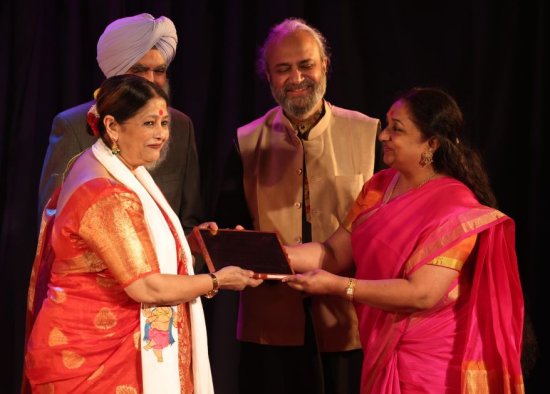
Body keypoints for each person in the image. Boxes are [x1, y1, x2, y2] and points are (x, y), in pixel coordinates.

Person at [22, 75, 263, 393]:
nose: (162, 134)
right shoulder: (105, 193)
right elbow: (146, 286)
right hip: (93, 357)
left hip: (89, 344)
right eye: (149, 123)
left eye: (164, 123)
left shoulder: (95, 164)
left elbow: (121, 251)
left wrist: (189, 243)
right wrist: (219, 281)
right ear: (111, 126)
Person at [284, 87, 525, 393]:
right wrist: (266, 252)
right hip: (382, 350)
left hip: (429, 367)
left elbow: (422, 294)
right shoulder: (378, 186)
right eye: (387, 125)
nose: (383, 136)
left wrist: (337, 286)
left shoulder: (455, 208)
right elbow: (332, 252)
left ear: (431, 145)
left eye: (396, 129)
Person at [235, 18, 380, 394]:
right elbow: (230, 225)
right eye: (283, 69)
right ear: (267, 76)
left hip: (349, 324)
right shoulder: (245, 142)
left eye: (306, 65)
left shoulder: (369, 133)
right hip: (269, 326)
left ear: (325, 66)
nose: (297, 78)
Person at [38, 13, 203, 233]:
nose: (151, 80)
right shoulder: (74, 126)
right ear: (114, 72)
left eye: (159, 71)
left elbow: (188, 224)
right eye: (138, 70)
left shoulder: (180, 126)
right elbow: (54, 225)